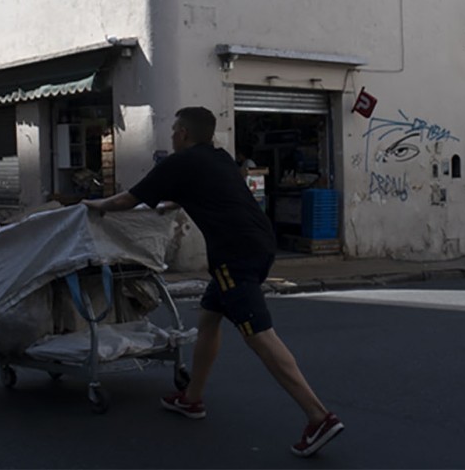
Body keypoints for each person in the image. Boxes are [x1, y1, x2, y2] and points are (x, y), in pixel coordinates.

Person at [82, 107, 344, 457]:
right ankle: (192, 399)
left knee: (258, 333)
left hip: (234, 255)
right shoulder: (218, 158)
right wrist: (174, 202)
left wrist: (92, 205)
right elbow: (207, 190)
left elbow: (125, 200)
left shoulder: (178, 164)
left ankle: (318, 416)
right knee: (209, 318)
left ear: (185, 134)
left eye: (175, 129)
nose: (172, 135)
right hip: (261, 244)